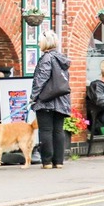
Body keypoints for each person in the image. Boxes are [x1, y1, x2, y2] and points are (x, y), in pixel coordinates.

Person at [29, 29, 71, 169]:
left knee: (46, 130)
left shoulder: (46, 58)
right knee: (58, 130)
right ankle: (58, 161)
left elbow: (41, 79)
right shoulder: (61, 58)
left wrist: (33, 97)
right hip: (61, 100)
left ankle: (47, 162)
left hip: (46, 101)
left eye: (39, 41)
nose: (38, 43)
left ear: (45, 43)